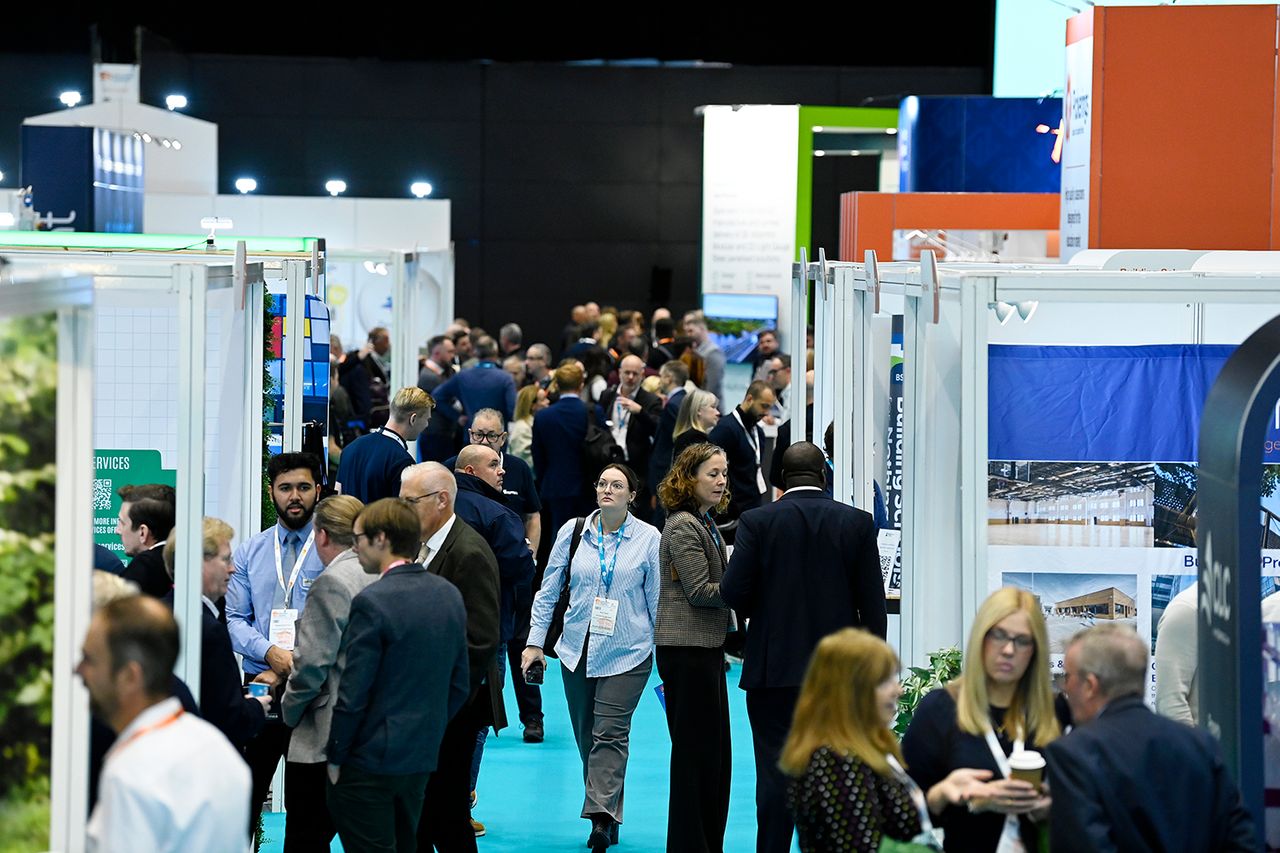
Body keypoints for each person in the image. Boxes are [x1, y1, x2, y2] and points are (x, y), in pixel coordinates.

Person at [721, 442, 887, 853]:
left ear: (781, 479)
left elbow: (733, 592)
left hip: (772, 671)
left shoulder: (757, 521)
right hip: (839, 676)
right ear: (823, 475)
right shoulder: (857, 523)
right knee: (840, 773)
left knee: (775, 773)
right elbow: (873, 606)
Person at [522, 462, 661, 852]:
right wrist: (534, 643)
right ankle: (609, 809)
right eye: (602, 483)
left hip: (629, 652)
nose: (607, 490)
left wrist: (665, 656)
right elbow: (548, 591)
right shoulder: (573, 531)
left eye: (616, 485)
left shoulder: (649, 538)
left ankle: (599, 818)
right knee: (588, 736)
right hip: (576, 650)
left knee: (610, 734)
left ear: (632, 495)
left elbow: (657, 601)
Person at [327, 498, 470, 853]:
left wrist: (336, 755)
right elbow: (459, 684)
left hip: (368, 762)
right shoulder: (449, 595)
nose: (354, 547)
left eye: (359, 538)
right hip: (420, 757)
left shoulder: (372, 602)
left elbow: (353, 691)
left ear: (381, 539)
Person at [1050, 623, 1256, 851]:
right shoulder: (1201, 745)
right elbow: (1241, 840)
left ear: (1090, 686)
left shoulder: (1074, 755)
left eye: (1066, 677)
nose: (1064, 687)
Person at [79, 596, 251, 853]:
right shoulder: (216, 748)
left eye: (89, 660)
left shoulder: (130, 774)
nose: (78, 670)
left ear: (129, 677)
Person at [901, 586, 1063, 852]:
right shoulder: (941, 709)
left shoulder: (1054, 711)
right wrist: (943, 793)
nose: (1008, 650)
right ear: (981, 638)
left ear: (1036, 649)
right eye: (998, 635)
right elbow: (903, 815)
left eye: (1022, 640)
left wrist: (1052, 808)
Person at [398, 462, 501, 853]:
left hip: (452, 710)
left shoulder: (468, 552)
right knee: (425, 814)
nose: (402, 510)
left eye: (410, 501)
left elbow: (480, 640)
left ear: (441, 500)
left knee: (447, 814)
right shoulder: (420, 545)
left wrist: (442, 703)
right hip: (425, 707)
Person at [226, 452, 327, 833]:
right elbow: (234, 619)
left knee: (308, 810)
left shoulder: (331, 550)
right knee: (243, 803)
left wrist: (290, 662)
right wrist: (269, 653)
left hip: (313, 692)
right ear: (271, 493)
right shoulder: (250, 551)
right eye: (285, 488)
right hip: (260, 688)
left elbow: (338, 622)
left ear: (318, 490)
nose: (294, 496)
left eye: (303, 487)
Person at [280, 495, 375, 853]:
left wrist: (288, 711)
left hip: (324, 736)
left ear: (320, 535)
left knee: (305, 838)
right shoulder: (379, 571)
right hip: (371, 731)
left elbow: (312, 666)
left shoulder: (332, 582)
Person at [781, 629, 928, 853]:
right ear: (851, 691)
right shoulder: (835, 761)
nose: (898, 690)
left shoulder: (858, 748)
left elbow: (896, 821)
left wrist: (939, 797)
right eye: (885, 681)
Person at [655, 443, 734, 853]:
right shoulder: (684, 526)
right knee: (695, 755)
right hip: (687, 652)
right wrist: (744, 586)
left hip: (703, 648)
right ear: (690, 478)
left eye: (724, 473)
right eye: (713, 473)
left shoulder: (704, 522)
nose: (721, 481)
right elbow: (701, 591)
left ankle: (704, 842)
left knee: (712, 755)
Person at [451, 444, 533, 820]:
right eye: (494, 464)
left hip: (436, 629)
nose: (502, 471)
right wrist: (526, 553)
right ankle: (459, 807)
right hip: (486, 632)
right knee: (477, 720)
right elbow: (520, 569)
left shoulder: (434, 505)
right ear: (470, 471)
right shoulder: (497, 514)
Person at [161, 519, 271, 750]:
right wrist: (256, 707)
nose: (232, 568)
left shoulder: (158, 614)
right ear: (199, 563)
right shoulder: (208, 631)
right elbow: (228, 719)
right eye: (226, 559)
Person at [335, 386, 434, 502]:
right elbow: (402, 511)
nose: (427, 425)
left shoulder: (350, 449)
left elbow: (337, 496)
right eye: (427, 419)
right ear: (413, 419)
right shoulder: (402, 462)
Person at [598, 354, 663, 520]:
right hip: (609, 460)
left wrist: (640, 412)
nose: (631, 377)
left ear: (642, 375)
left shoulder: (650, 400)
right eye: (627, 373)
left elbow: (658, 429)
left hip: (636, 467)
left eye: (635, 373)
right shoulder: (607, 395)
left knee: (634, 516)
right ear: (619, 373)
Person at [707, 381, 776, 534]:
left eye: (769, 407)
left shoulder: (758, 432)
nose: (766, 413)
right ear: (750, 399)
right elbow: (710, 470)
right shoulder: (725, 429)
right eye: (764, 406)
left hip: (753, 509)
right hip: (730, 516)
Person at [533, 361, 593, 535]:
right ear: (581, 385)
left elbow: (538, 456)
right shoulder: (592, 411)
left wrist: (545, 480)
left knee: (560, 536)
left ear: (557, 385)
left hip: (555, 485)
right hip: (588, 485)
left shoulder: (543, 416)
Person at [433, 335, 519, 429]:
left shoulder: (462, 376)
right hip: (497, 433)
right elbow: (512, 411)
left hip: (472, 432)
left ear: (475, 353)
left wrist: (457, 417)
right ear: (496, 352)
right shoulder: (506, 378)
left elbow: (437, 396)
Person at [116, 483, 176, 598]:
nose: (117, 531)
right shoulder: (185, 563)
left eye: (122, 523)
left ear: (143, 532)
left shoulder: (141, 569)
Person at [418, 334, 460, 463]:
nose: (453, 355)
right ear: (437, 352)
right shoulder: (428, 377)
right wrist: (459, 417)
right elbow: (447, 400)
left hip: (444, 433)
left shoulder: (446, 372)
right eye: (450, 352)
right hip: (435, 435)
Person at [683, 310, 725, 404]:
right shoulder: (695, 351)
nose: (688, 335)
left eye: (691, 331)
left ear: (701, 328)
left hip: (710, 406)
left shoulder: (714, 352)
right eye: (686, 331)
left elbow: (712, 388)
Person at [671, 388, 720, 459]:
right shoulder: (696, 439)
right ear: (698, 410)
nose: (718, 413)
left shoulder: (688, 437)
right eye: (713, 407)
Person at [509, 384, 545, 471]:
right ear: (532, 405)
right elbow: (524, 461)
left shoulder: (534, 424)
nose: (548, 402)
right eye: (543, 400)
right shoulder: (522, 428)